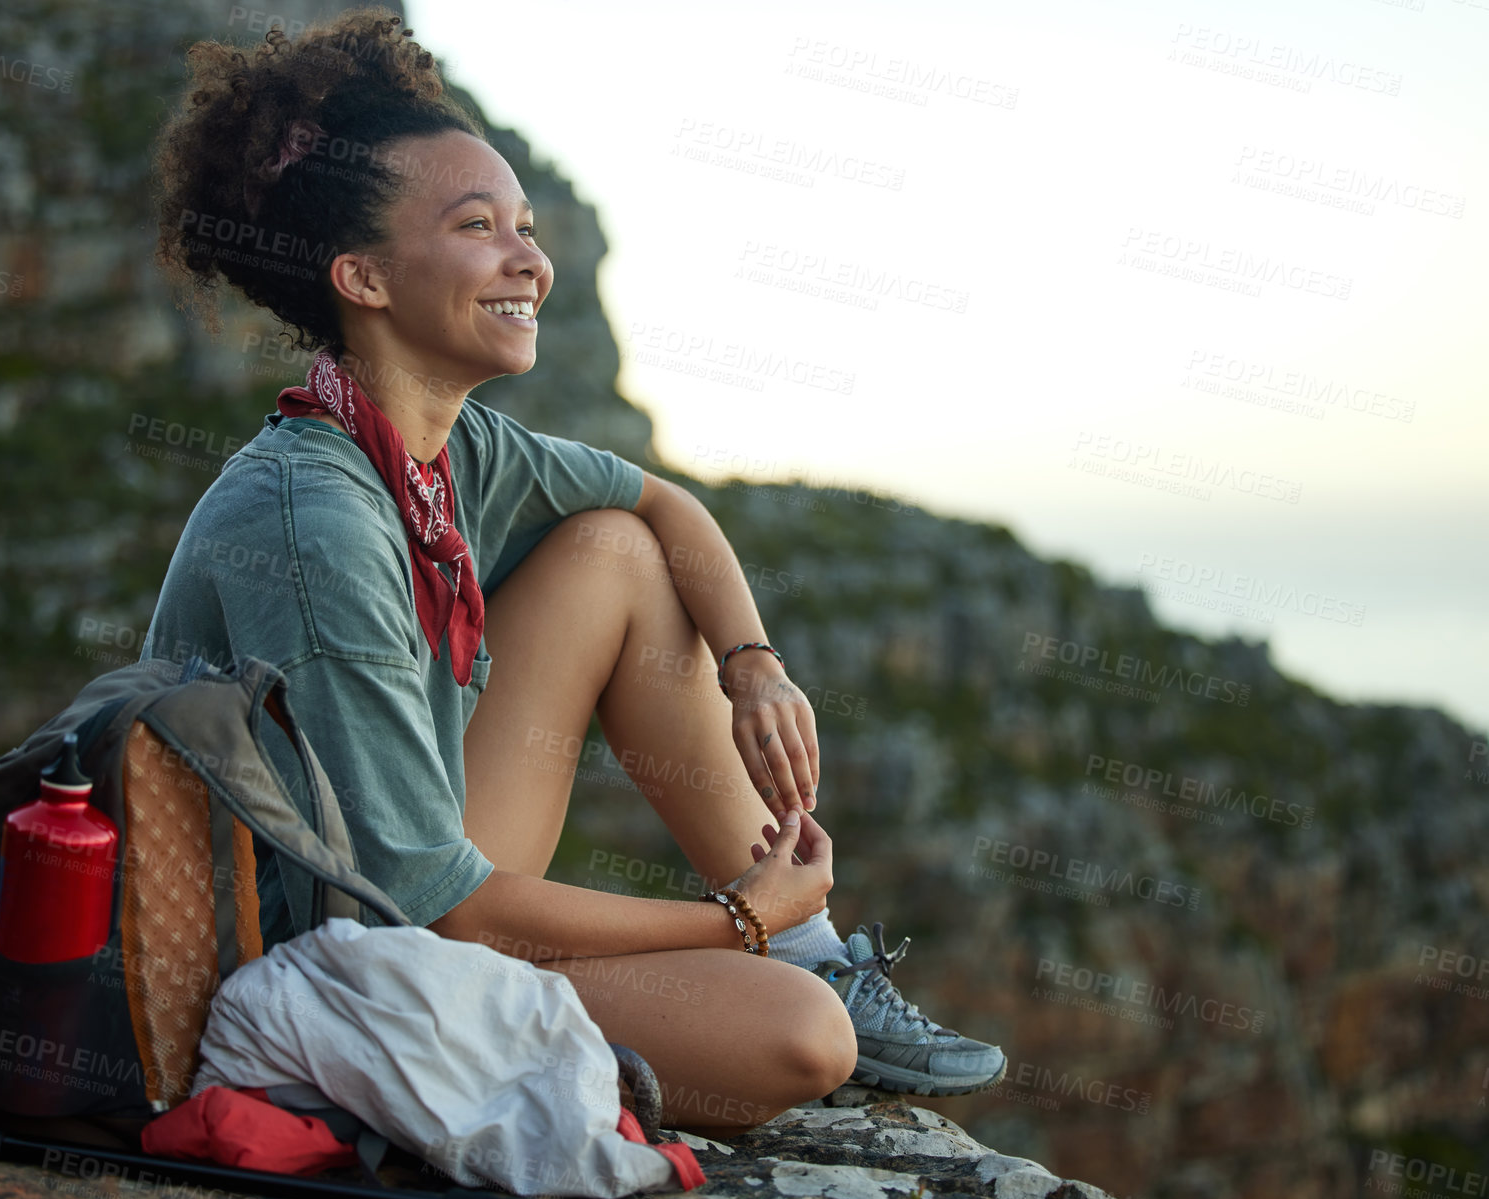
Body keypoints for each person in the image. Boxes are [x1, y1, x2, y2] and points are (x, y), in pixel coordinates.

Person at [144, 7, 1005, 1133]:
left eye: (525, 225)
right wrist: (730, 923)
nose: (528, 261)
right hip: (320, 969)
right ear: (361, 277)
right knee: (800, 1040)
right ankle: (758, 971)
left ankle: (809, 950)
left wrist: (752, 665)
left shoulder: (443, 446)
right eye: (475, 226)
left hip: (405, 904)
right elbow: (433, 908)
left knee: (615, 548)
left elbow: (662, 502)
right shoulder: (318, 519)